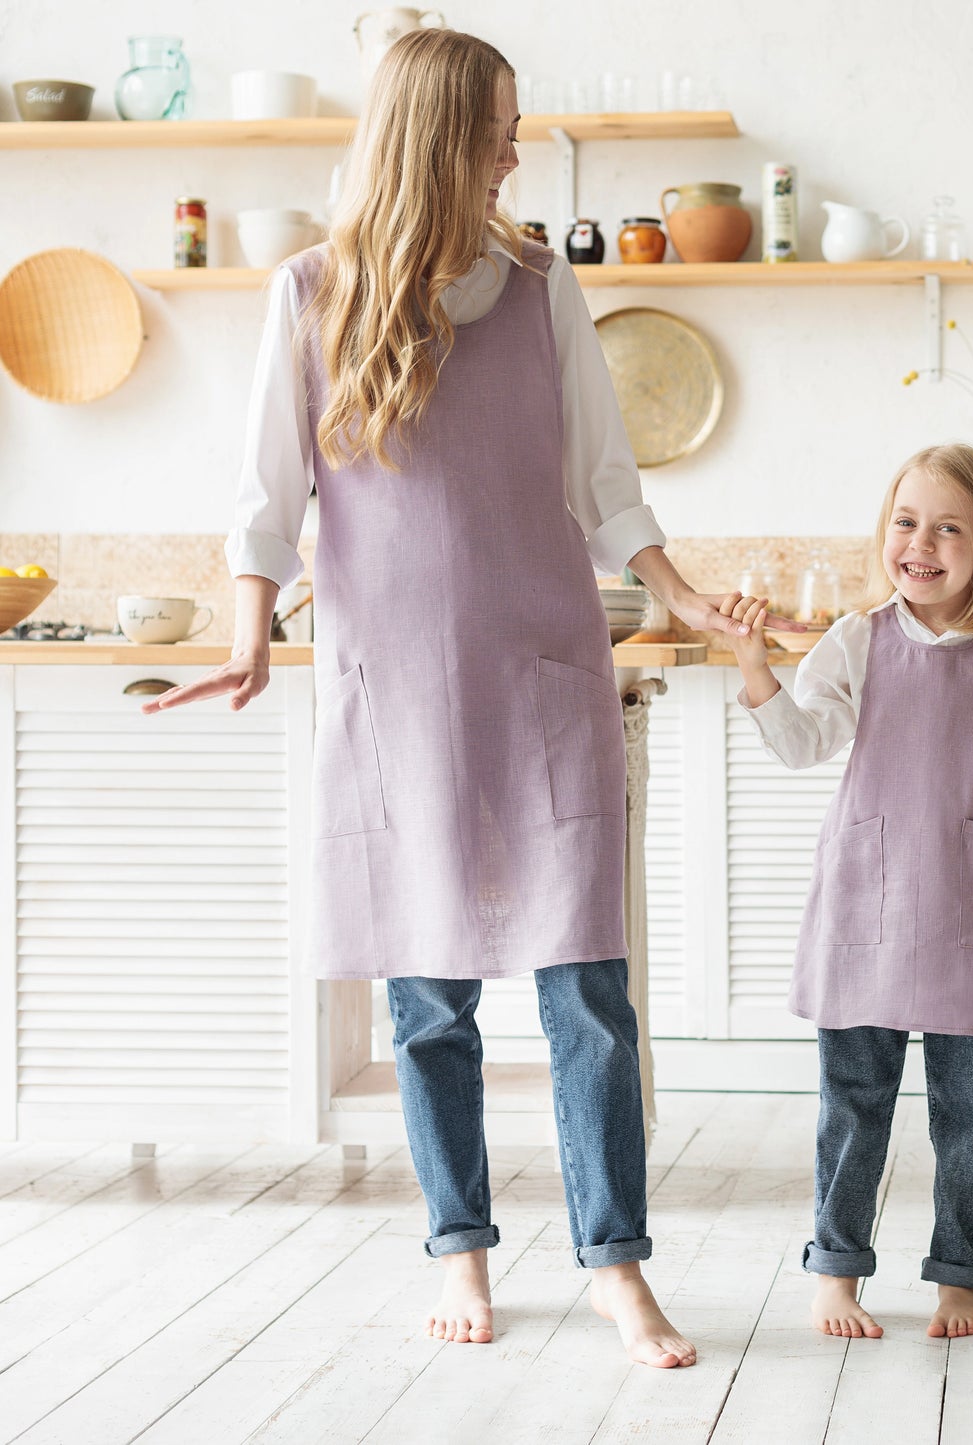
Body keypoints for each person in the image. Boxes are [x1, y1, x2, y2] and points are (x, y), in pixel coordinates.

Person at [143, 28, 795, 1370]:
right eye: (501, 121)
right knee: (428, 1005)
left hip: (548, 676)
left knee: (589, 995)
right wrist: (256, 636)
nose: (517, 140)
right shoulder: (313, 292)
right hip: (395, 703)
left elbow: (606, 486)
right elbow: (270, 500)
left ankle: (616, 1266)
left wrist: (677, 592)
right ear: (444, 135)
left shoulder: (544, 286)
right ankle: (464, 1250)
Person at [719, 442, 973, 1342]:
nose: (919, 542)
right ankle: (836, 1269)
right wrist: (753, 662)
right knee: (852, 1102)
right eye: (905, 521)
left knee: (971, 1113)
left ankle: (959, 1274)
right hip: (867, 906)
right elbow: (803, 742)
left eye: (947, 527)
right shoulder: (857, 639)